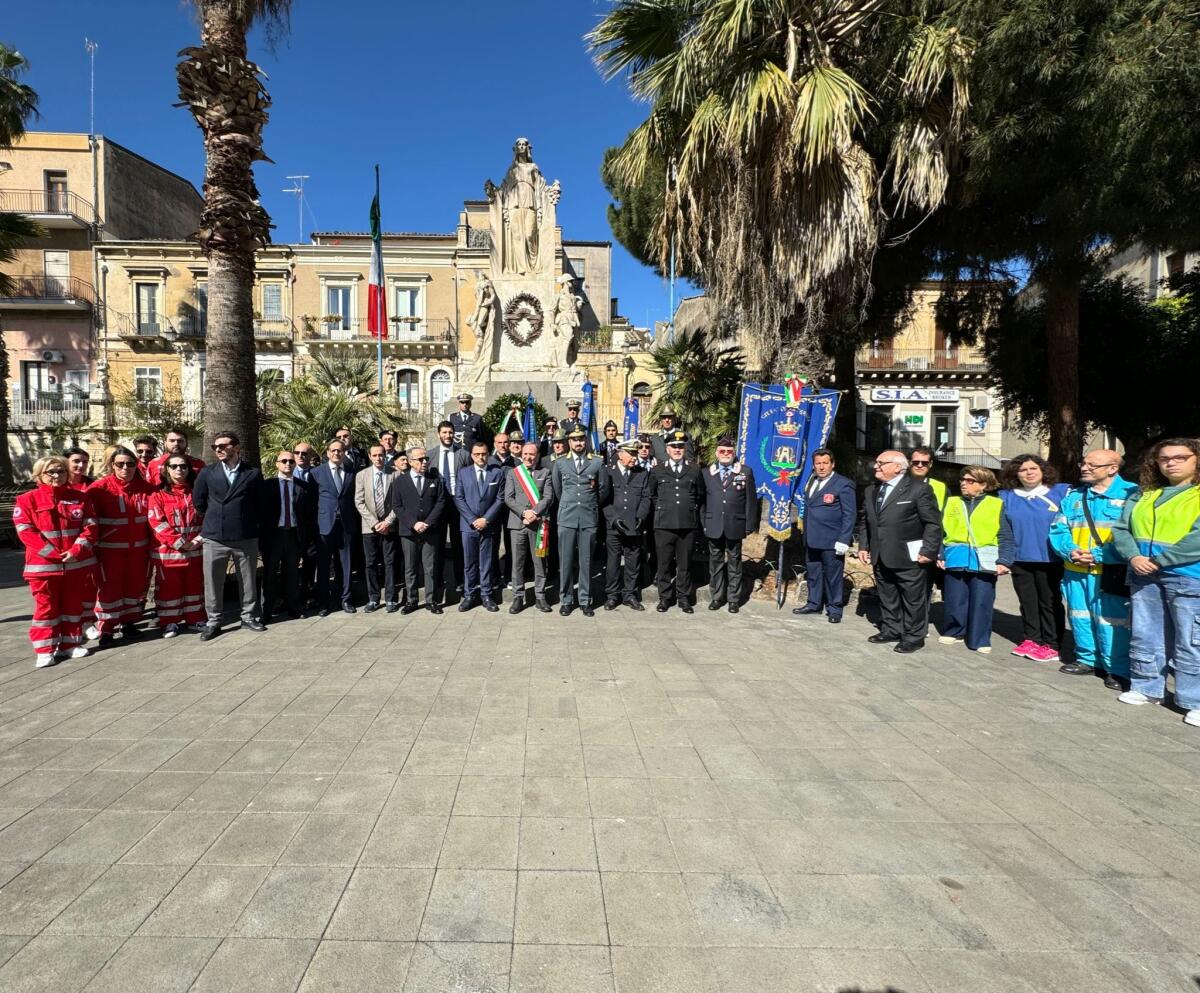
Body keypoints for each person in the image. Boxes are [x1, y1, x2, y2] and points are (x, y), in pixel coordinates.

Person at [1112, 438, 1200, 724]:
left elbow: (1196, 538)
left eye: (1179, 457)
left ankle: (1193, 699)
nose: (1171, 463)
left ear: (1196, 459)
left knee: (1191, 640)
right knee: (1145, 633)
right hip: (1143, 574)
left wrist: (1160, 560)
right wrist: (1133, 557)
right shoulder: (1144, 494)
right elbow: (1121, 529)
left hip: (1187, 576)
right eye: (1164, 458)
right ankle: (1147, 687)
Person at [1049, 450, 1137, 690]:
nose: (1084, 468)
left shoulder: (1132, 494)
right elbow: (1058, 528)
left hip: (1111, 571)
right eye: (1083, 463)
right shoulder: (1074, 496)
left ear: (1112, 468)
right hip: (1075, 568)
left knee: (1112, 620)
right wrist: (1070, 551)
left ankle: (1117, 669)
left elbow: (1133, 534)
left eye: (1092, 465)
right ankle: (1087, 659)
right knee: (1079, 614)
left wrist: (1100, 555)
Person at [15, 456, 97, 666]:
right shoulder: (27, 500)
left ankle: (70, 644)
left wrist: (77, 549)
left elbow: (90, 527)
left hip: (75, 563)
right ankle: (45, 648)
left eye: (61, 471)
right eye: (50, 471)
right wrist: (52, 553)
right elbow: (26, 531)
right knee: (46, 608)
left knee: (72, 605)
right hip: (43, 566)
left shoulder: (80, 497)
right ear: (39, 475)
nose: (57, 475)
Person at [857, 450, 941, 653]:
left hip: (909, 557)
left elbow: (933, 523)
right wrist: (863, 546)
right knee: (887, 595)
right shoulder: (871, 490)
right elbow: (865, 521)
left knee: (913, 599)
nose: (875, 466)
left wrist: (928, 550)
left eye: (881, 462)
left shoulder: (919, 489)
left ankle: (914, 636)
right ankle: (891, 629)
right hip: (880, 554)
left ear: (898, 467)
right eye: (876, 462)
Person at [191, 431, 265, 640]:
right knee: (213, 582)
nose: (219, 450)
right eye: (216, 447)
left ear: (237, 447)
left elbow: (260, 504)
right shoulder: (207, 472)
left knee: (248, 580)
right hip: (215, 537)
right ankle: (213, 621)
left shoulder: (252, 473)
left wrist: (246, 521)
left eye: (223, 446)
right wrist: (216, 517)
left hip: (245, 536)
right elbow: (199, 501)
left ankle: (249, 616)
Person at [997, 454, 1069, 663]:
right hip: (1020, 559)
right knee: (1027, 602)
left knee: (1049, 601)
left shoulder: (1061, 492)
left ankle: (1052, 643)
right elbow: (1005, 529)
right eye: (1023, 470)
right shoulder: (1006, 496)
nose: (1028, 473)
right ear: (1015, 474)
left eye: (1033, 468)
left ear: (1042, 470)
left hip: (1050, 558)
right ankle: (1032, 638)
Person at [89, 444, 154, 644]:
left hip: (138, 551)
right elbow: (89, 521)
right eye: (120, 464)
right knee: (109, 591)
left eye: (130, 464)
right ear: (112, 465)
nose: (125, 468)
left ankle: (129, 623)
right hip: (110, 552)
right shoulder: (99, 489)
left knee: (134, 589)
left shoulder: (147, 489)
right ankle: (106, 630)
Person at [938, 466, 1006, 654]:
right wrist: (940, 553)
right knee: (954, 597)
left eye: (970, 481)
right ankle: (954, 630)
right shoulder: (951, 502)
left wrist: (1005, 560)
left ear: (983, 485)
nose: (963, 483)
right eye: (962, 480)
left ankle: (980, 638)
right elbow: (939, 531)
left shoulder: (996, 504)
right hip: (955, 555)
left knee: (982, 600)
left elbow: (1005, 535)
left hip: (984, 559)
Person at [551, 427, 610, 616]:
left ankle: (585, 600)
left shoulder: (597, 463)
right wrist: (570, 505)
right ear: (569, 442)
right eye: (574, 440)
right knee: (566, 561)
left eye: (581, 440)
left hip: (588, 517)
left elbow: (603, 490)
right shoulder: (560, 463)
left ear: (586, 441)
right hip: (567, 518)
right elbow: (558, 490)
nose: (578, 443)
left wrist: (589, 504)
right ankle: (566, 600)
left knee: (586, 561)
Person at [795, 448, 856, 622]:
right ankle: (813, 604)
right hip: (812, 537)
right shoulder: (811, 481)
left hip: (832, 540)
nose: (821, 467)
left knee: (833, 576)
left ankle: (834, 609)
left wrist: (844, 539)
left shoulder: (843, 484)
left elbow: (849, 514)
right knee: (813, 572)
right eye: (818, 463)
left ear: (832, 464)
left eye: (825, 463)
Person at [148, 454, 205, 636]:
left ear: (189, 470)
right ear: (167, 470)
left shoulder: (197, 493)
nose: (179, 470)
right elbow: (157, 522)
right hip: (169, 554)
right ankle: (169, 622)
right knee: (168, 590)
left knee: (195, 587)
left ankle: (195, 619)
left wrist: (197, 541)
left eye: (183, 466)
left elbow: (207, 519)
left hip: (195, 550)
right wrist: (180, 543)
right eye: (174, 466)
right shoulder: (157, 495)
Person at [701, 436, 759, 613]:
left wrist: (749, 524)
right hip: (714, 524)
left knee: (734, 562)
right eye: (722, 451)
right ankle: (717, 597)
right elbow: (702, 500)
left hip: (735, 524)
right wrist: (704, 522)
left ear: (734, 453)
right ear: (717, 453)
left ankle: (734, 599)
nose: (726, 454)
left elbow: (751, 501)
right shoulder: (706, 473)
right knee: (715, 563)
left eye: (729, 451)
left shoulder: (745, 472)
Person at [651, 431, 705, 613]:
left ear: (685, 449)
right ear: (667, 449)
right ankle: (664, 598)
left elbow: (700, 494)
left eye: (680, 446)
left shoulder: (694, 470)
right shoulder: (657, 470)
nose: (677, 450)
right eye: (673, 446)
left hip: (687, 524)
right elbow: (652, 495)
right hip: (664, 525)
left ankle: (683, 598)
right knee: (664, 564)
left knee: (685, 565)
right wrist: (663, 509)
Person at [392, 446, 448, 613]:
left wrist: (427, 523)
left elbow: (440, 502)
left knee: (430, 567)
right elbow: (397, 506)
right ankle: (412, 600)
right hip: (409, 532)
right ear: (410, 462)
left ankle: (431, 600)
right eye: (420, 459)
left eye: (426, 459)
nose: (424, 462)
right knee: (410, 567)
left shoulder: (434, 480)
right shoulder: (399, 482)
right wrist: (413, 523)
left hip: (430, 531)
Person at [454, 441, 506, 612]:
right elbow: (459, 498)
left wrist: (486, 519)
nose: (480, 457)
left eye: (483, 454)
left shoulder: (496, 473)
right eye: (477, 454)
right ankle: (469, 595)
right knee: (469, 562)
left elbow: (500, 499)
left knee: (487, 561)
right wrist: (472, 519)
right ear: (472, 455)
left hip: (488, 525)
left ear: (487, 454)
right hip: (468, 526)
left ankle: (486, 594)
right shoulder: (463, 473)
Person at [260, 449, 310, 622]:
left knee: (292, 574)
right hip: (273, 536)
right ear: (277, 464)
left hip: (293, 535)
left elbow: (306, 514)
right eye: (284, 461)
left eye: (290, 461)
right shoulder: (267, 486)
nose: (288, 464)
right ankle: (266, 611)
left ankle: (293, 608)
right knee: (270, 575)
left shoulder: (302, 487)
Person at [602, 439, 652, 610]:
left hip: (634, 525)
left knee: (633, 562)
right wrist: (613, 519)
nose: (634, 458)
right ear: (620, 454)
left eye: (635, 454)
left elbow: (646, 498)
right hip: (614, 526)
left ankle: (630, 595)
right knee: (613, 563)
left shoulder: (642, 473)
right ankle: (612, 595)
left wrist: (641, 517)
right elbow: (603, 500)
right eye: (631, 454)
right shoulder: (608, 472)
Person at [505, 442, 555, 613]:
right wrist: (524, 513)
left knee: (539, 561)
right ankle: (518, 597)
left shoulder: (545, 473)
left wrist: (534, 512)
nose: (528, 457)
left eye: (531, 454)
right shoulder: (513, 473)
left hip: (538, 524)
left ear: (537, 455)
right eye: (525, 454)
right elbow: (508, 498)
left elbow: (548, 497)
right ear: (521, 454)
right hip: (518, 524)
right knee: (517, 562)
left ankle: (540, 596)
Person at [311, 439, 358, 616]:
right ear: (327, 453)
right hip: (325, 525)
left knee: (346, 564)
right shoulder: (316, 473)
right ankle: (323, 603)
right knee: (323, 566)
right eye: (333, 450)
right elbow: (311, 500)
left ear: (344, 452)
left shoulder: (352, 472)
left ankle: (346, 600)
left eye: (340, 450)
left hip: (346, 525)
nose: (336, 453)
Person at [354, 444, 400, 613]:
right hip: (369, 527)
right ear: (370, 456)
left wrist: (387, 522)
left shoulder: (394, 474)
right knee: (371, 563)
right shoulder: (362, 475)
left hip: (390, 526)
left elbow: (398, 502)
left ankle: (390, 598)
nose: (378, 458)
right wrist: (374, 523)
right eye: (375, 455)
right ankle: (373, 598)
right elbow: (358, 501)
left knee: (390, 562)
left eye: (381, 455)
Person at [432, 420, 466, 599]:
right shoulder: (431, 455)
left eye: (450, 432)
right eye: (444, 432)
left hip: (456, 503)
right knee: (436, 544)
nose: (447, 436)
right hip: (438, 504)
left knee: (458, 543)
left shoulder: (463, 454)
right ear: (439, 434)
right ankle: (437, 581)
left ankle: (460, 580)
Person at [291, 442, 319, 608]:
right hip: (292, 527)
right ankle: (290, 597)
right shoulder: (285, 473)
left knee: (310, 562)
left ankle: (308, 594)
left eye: (304, 453)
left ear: (311, 456)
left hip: (312, 527)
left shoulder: (317, 475)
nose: (300, 456)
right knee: (291, 563)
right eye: (297, 452)